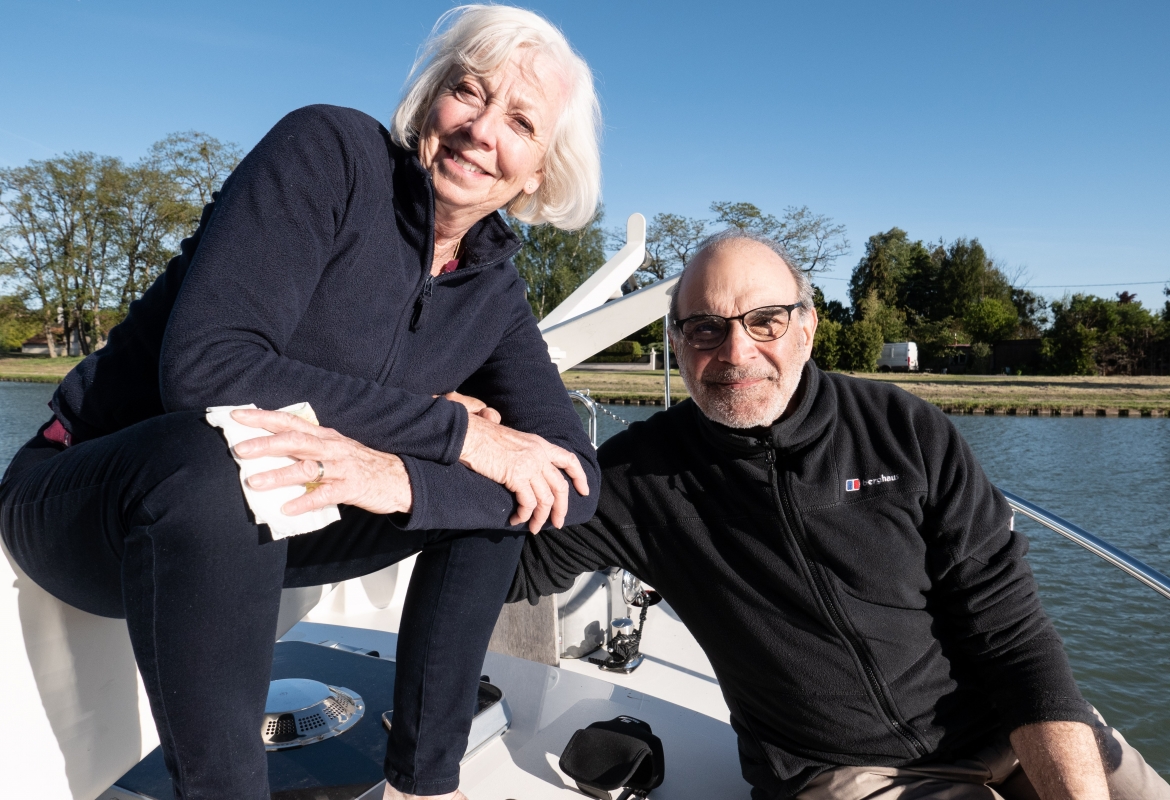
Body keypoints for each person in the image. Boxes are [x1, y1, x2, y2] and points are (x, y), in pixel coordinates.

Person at [0, 6, 603, 799]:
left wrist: (405, 478)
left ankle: (424, 783)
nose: (480, 129)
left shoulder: (493, 292)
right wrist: (456, 432)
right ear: (430, 101)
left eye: (520, 121)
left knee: (512, 489)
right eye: (469, 91)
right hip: (94, 501)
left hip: (272, 525)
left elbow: (575, 478)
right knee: (221, 455)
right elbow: (210, 369)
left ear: (538, 174)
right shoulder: (330, 154)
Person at [505, 228, 1170, 800]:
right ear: (676, 342)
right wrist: (471, 438)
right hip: (849, 773)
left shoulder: (903, 429)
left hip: (1005, 724)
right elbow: (507, 565)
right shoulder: (637, 477)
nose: (736, 353)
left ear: (807, 326)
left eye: (765, 320)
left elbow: (1014, 637)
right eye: (705, 327)